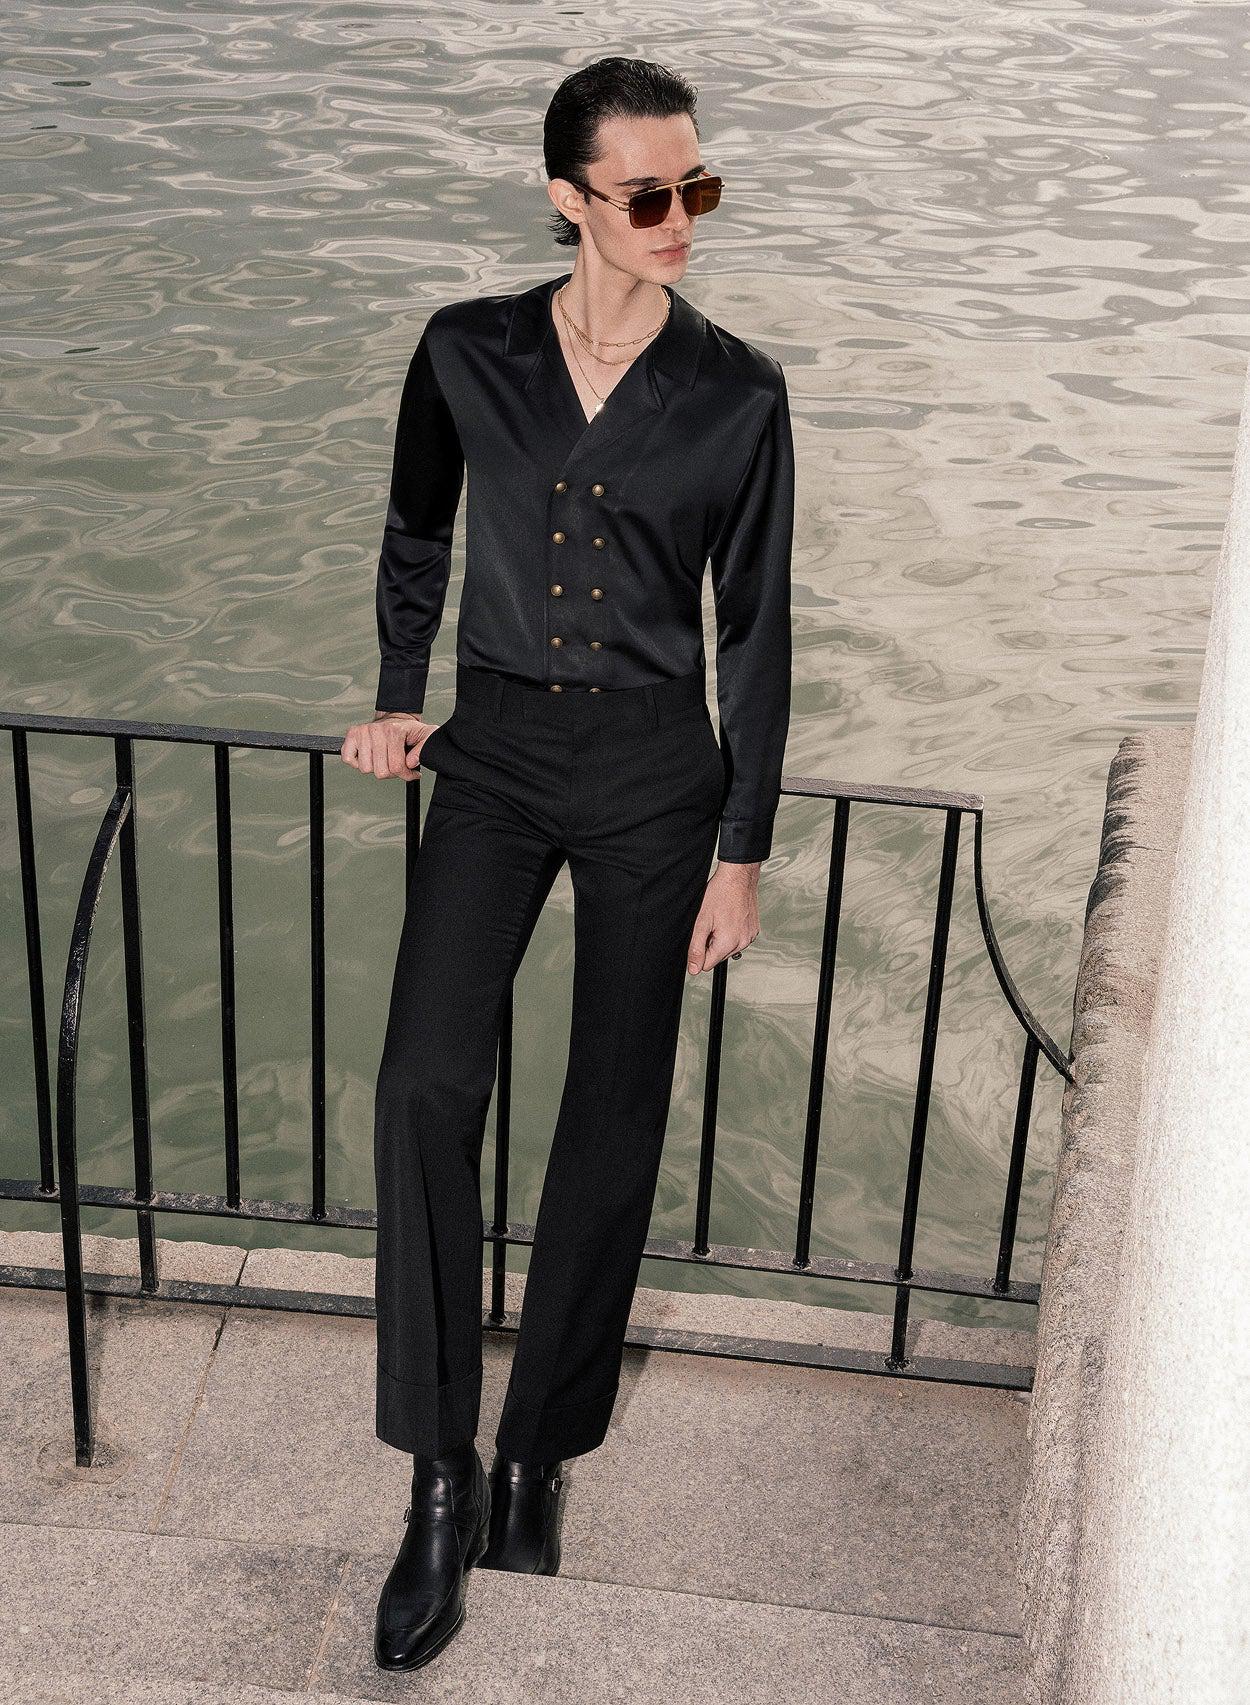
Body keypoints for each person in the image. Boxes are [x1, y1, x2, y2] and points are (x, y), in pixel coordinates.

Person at [340, 55, 795, 1672]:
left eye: (697, 187)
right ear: (568, 198)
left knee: (610, 1115)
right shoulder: (465, 349)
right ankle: (438, 1475)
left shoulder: (739, 393)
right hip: (497, 757)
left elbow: (757, 632)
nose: (680, 218)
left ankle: (539, 1449)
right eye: (648, 192)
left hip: (659, 776)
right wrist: (397, 694)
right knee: (422, 1083)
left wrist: (741, 847)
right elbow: (415, 529)